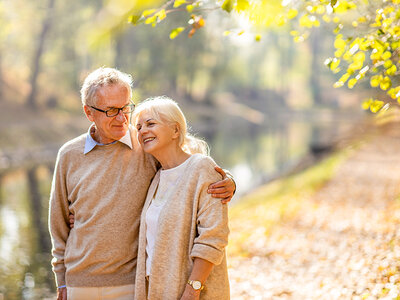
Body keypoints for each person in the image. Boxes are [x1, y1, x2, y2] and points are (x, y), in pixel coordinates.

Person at [48, 67, 235, 300]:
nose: (122, 118)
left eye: (126, 107)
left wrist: (227, 180)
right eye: (111, 110)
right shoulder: (69, 155)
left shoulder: (145, 146)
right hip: (79, 284)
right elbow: (59, 224)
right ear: (89, 113)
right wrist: (62, 281)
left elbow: (186, 165)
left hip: (130, 284)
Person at [133, 96, 230, 300]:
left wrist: (192, 289)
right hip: (156, 290)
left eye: (151, 124)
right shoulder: (156, 177)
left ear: (176, 131)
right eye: (139, 127)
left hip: (194, 293)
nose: (142, 131)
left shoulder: (201, 168)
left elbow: (213, 236)